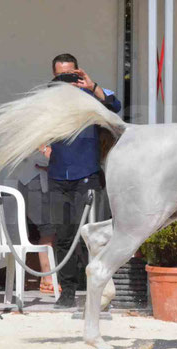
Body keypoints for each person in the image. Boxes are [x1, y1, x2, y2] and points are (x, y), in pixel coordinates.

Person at [38, 53, 121, 308]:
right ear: (54, 76)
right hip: (58, 175)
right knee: (63, 235)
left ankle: (97, 290)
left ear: (79, 71)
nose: (67, 79)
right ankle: (68, 292)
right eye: (61, 75)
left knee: (91, 235)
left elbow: (115, 105)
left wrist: (91, 85)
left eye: (71, 74)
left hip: (87, 174)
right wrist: (42, 146)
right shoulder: (47, 99)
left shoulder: (91, 93)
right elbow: (33, 124)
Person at [16, 147, 58, 294]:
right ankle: (47, 278)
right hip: (35, 181)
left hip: (36, 180)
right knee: (47, 229)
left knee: (44, 230)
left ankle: (42, 278)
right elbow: (45, 157)